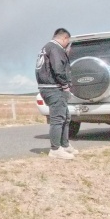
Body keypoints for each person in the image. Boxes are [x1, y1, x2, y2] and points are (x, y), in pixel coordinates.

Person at [35, 28, 77, 160]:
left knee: (66, 117)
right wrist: (65, 85)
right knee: (58, 119)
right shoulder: (55, 48)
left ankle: (65, 145)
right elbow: (58, 69)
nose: (67, 45)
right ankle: (55, 149)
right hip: (54, 88)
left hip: (48, 87)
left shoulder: (46, 48)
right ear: (65, 38)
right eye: (68, 42)